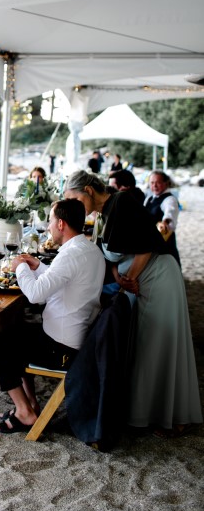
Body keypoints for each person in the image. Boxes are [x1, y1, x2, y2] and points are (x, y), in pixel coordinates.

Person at [64, 170, 202, 436]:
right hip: (137, 280)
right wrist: (120, 276)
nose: (75, 206)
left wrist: (130, 278)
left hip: (158, 277)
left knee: (161, 344)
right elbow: (114, 256)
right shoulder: (104, 213)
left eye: (75, 199)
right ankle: (154, 413)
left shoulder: (123, 201)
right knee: (147, 345)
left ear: (89, 191)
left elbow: (147, 245)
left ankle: (174, 416)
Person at [0, 199, 105, 434]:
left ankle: (24, 412)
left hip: (61, 348)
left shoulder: (70, 255)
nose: (48, 227)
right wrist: (37, 265)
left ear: (60, 224)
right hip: (74, 338)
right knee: (14, 332)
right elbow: (63, 280)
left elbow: (36, 295)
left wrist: (20, 267)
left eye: (49, 221)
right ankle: (31, 404)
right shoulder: (89, 249)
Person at [144, 171, 181, 266]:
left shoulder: (170, 199)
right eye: (152, 183)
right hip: (150, 241)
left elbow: (170, 213)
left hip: (164, 242)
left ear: (166, 183)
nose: (155, 186)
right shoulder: (149, 198)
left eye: (158, 182)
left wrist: (165, 222)